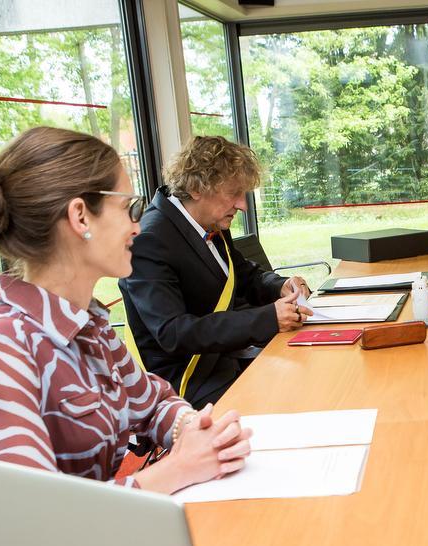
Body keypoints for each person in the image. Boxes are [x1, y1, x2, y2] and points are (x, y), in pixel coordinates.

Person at [0, 126, 251, 494]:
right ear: (80, 217)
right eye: (128, 208)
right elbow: (41, 512)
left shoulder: (88, 324)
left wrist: (191, 427)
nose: (138, 227)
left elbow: (153, 402)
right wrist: (178, 468)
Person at [120, 136, 311, 408]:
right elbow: (173, 333)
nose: (242, 205)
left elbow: (244, 275)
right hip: (189, 382)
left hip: (226, 358)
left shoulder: (209, 221)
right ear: (197, 187)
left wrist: (279, 285)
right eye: (234, 193)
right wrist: (268, 318)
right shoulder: (149, 240)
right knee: (292, 397)